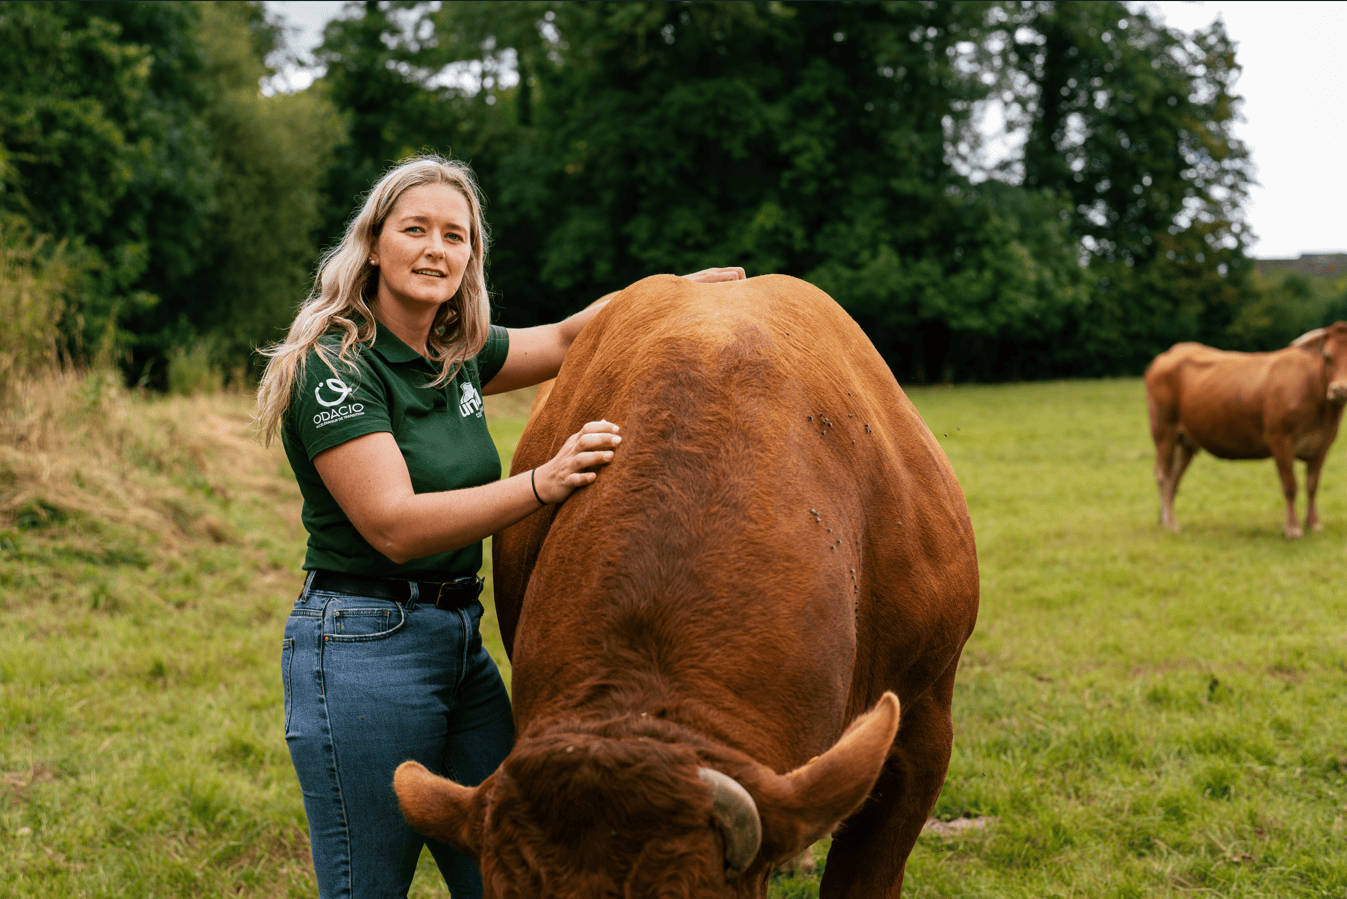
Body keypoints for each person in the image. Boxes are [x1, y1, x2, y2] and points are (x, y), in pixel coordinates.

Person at [253, 153, 745, 899]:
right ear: (374, 244)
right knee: (368, 886)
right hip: (362, 645)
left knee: (513, 871)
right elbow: (392, 524)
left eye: (455, 236)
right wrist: (541, 484)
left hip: (460, 642)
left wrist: (671, 297)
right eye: (414, 229)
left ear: (470, 258)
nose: (435, 249)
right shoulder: (337, 364)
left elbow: (568, 338)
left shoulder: (452, 354)